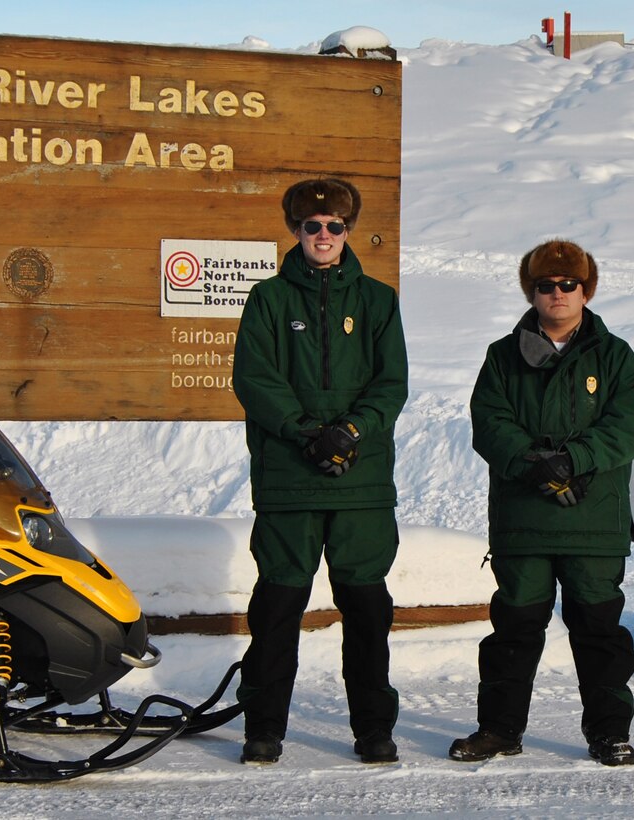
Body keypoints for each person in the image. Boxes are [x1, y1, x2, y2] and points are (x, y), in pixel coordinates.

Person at [449, 239, 634, 767]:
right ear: (531, 292)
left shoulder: (616, 357)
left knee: (600, 633)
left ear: (586, 290)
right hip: (524, 521)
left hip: (593, 521)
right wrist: (534, 463)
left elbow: (625, 430)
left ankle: (609, 733)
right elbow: (489, 424)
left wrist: (575, 460)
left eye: (568, 284)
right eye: (546, 285)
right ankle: (499, 730)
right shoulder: (501, 356)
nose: (557, 293)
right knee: (513, 631)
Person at [231, 178, 408, 765]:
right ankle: (263, 727)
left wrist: (350, 432)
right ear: (296, 231)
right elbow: (255, 380)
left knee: (366, 609)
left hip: (360, 485)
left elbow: (391, 384)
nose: (324, 236)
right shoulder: (268, 300)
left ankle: (374, 729)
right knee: (278, 608)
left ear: (349, 230)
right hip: (289, 480)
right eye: (313, 226)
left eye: (335, 226)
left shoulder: (379, 301)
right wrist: (307, 433)